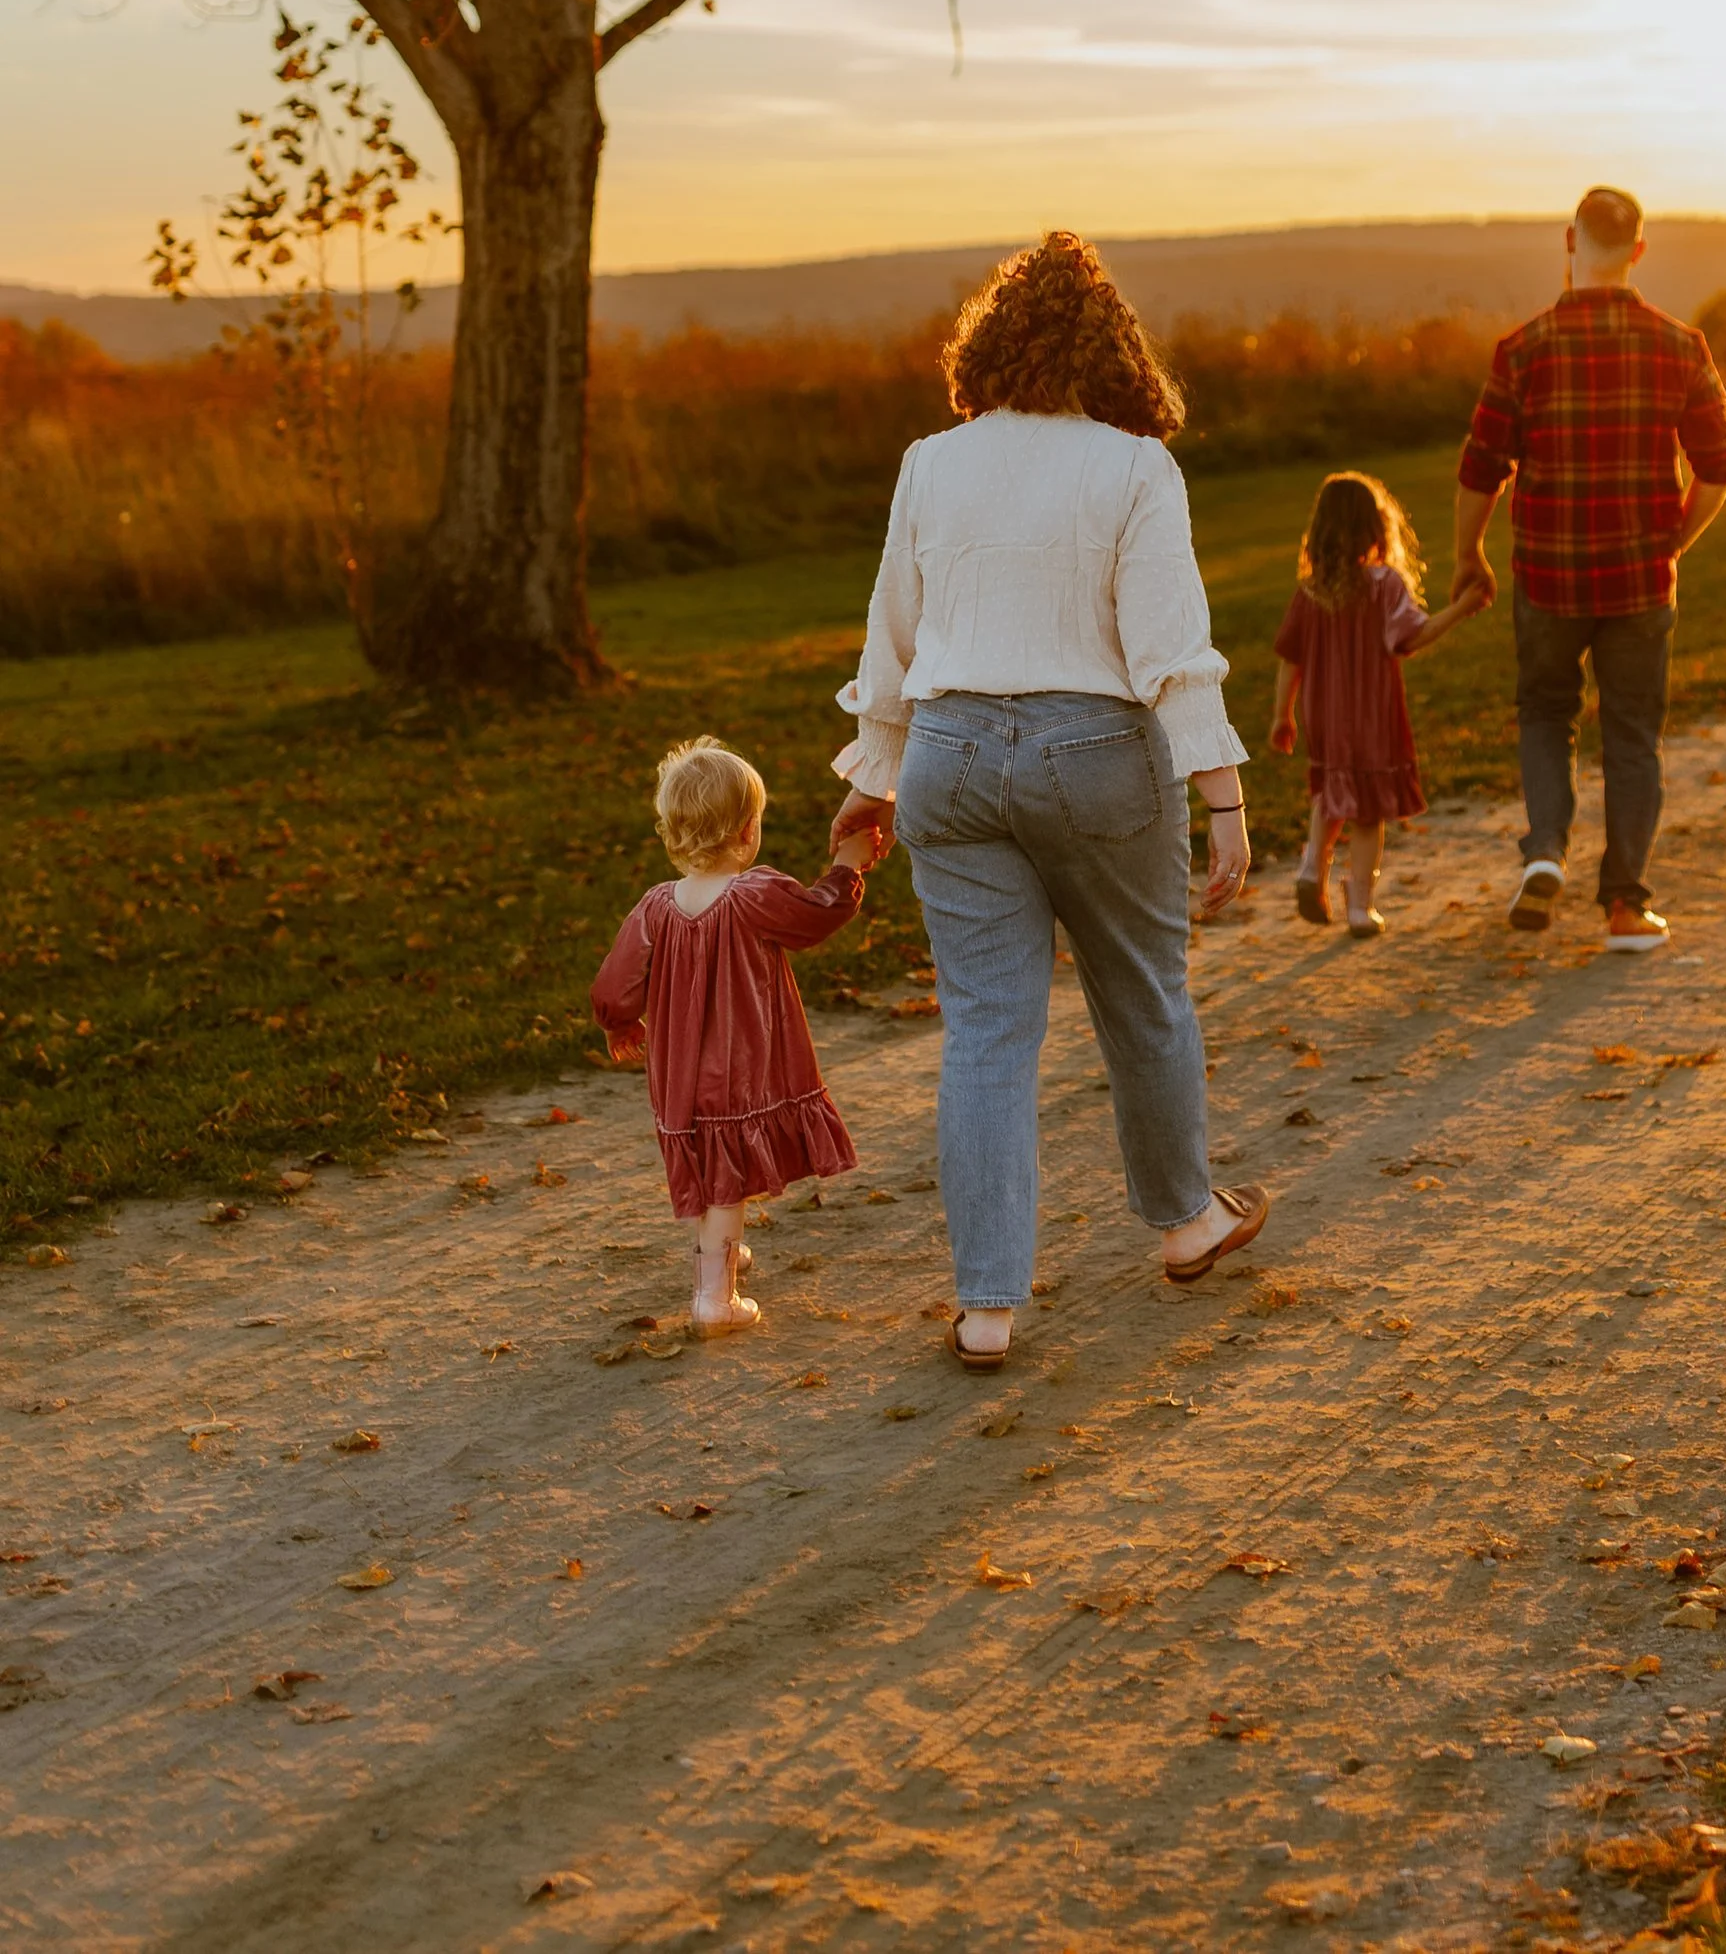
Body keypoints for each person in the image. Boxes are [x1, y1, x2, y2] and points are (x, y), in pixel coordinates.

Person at [831, 231, 1269, 1370]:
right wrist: (1221, 798)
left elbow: (894, 633)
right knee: (1143, 1000)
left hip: (952, 753)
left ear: (989, 344)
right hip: (1095, 754)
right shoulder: (1133, 469)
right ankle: (1186, 1225)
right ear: (1114, 353)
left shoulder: (932, 460)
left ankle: (986, 1307)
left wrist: (873, 778)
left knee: (985, 1030)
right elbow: (1173, 651)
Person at [1452, 184, 1726, 950]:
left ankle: (1546, 850)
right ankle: (1624, 906)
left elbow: (1481, 468)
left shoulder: (1523, 349)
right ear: (1639, 252)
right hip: (1640, 580)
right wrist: (1676, 539)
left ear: (1569, 242)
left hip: (1547, 579)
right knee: (1632, 738)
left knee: (1547, 713)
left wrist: (1467, 555)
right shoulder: (1681, 346)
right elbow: (1719, 467)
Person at [591, 734, 866, 1333]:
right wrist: (847, 867)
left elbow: (616, 980)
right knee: (725, 1181)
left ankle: (716, 1252)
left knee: (704, 1163)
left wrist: (619, 1023)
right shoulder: (754, 895)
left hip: (678, 1073)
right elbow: (815, 916)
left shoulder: (656, 907)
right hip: (738, 1073)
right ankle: (714, 1300)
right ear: (746, 831)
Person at [1271, 469, 1487, 938]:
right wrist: (1460, 610)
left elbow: (1290, 658)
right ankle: (1359, 908)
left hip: (1324, 715)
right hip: (1372, 717)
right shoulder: (1384, 584)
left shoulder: (1310, 591)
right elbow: (1415, 635)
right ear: (1376, 527)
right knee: (1367, 814)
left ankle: (1312, 867)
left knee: (1332, 790)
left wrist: (1281, 716)